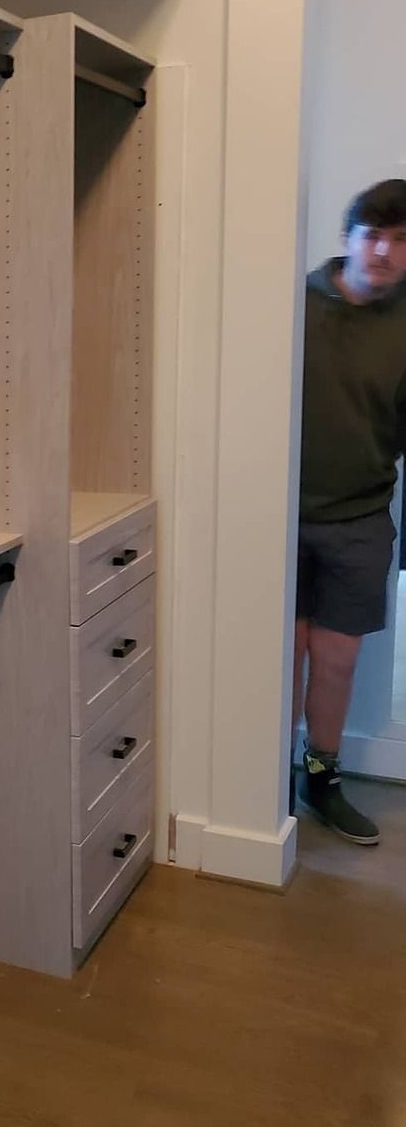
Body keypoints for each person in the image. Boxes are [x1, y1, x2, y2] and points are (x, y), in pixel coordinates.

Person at [295, 178, 406, 844]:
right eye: (373, 234)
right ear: (349, 238)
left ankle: (319, 779)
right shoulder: (293, 302)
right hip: (278, 514)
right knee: (285, 654)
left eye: (400, 240)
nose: (385, 251)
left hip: (361, 516)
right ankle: (265, 783)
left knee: (335, 659)